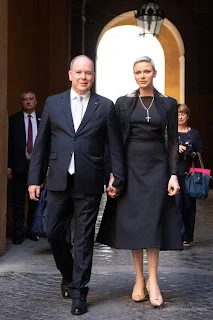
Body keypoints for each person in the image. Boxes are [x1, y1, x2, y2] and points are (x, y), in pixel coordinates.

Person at [27, 55, 124, 316]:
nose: (83, 77)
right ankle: (69, 275)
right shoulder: (53, 103)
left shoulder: (105, 106)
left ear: (93, 76)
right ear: (70, 74)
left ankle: (79, 292)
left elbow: (114, 145)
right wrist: (34, 179)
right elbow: (42, 144)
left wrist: (117, 175)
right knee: (54, 233)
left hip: (89, 180)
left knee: (83, 239)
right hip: (58, 179)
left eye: (88, 73)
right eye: (79, 72)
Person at [96, 56, 183, 307]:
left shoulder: (167, 103)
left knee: (153, 223)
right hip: (131, 168)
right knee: (135, 224)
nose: (142, 75)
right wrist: (115, 174)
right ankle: (138, 279)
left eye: (146, 71)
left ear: (154, 73)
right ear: (133, 75)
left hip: (158, 169)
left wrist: (174, 174)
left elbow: (172, 141)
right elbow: (114, 142)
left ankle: (154, 280)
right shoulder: (123, 103)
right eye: (138, 72)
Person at [8, 91, 42, 244]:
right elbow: (8, 145)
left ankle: (32, 231)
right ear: (21, 103)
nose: (28, 102)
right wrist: (8, 167)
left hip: (37, 166)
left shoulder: (44, 119)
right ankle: (18, 234)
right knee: (18, 201)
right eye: (24, 100)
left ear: (36, 102)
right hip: (18, 167)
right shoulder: (13, 120)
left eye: (31, 99)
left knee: (35, 201)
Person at [175, 104, 203, 247]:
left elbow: (200, 153)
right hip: (173, 174)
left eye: (183, 114)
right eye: (178, 114)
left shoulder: (194, 134)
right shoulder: (170, 133)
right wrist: (175, 148)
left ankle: (187, 237)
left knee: (189, 205)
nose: (180, 117)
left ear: (187, 116)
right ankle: (178, 235)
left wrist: (190, 152)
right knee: (176, 205)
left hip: (189, 174)